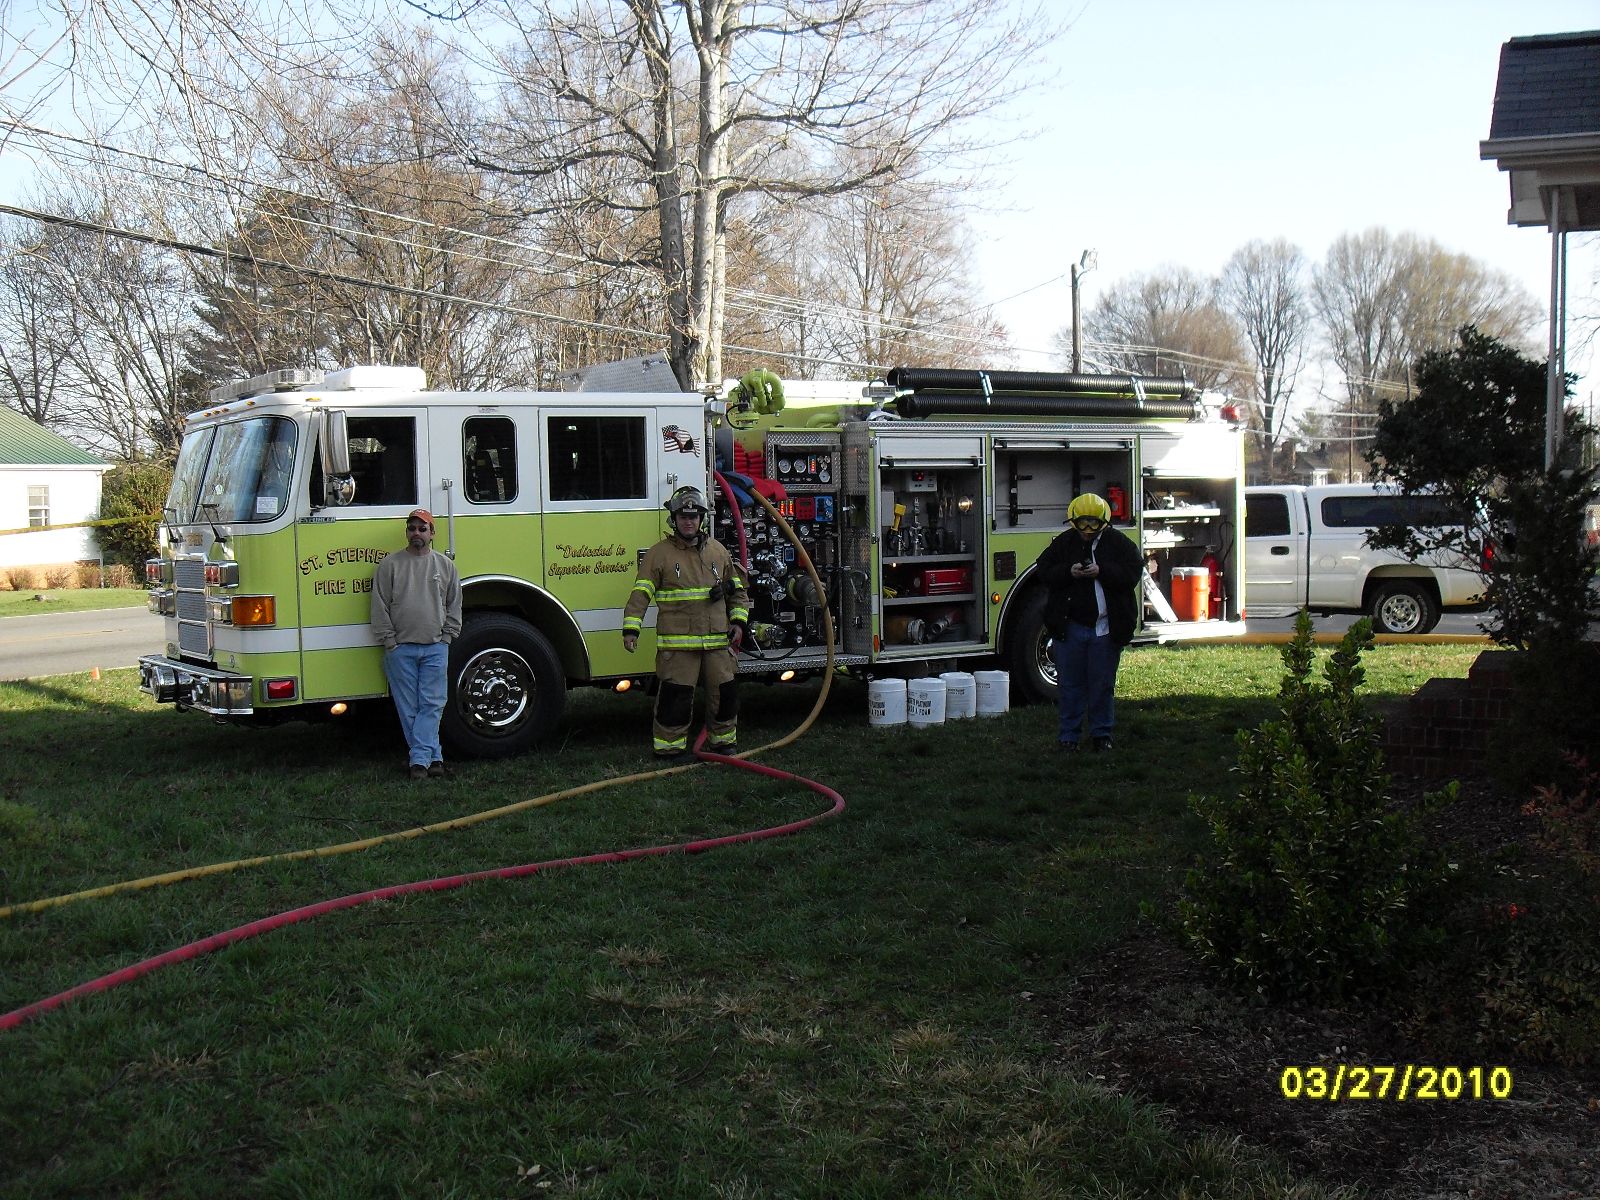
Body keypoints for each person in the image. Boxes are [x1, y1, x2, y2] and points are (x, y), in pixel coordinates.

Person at [622, 485, 751, 759]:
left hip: (717, 642)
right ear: (674, 519)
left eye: (694, 516)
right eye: (683, 516)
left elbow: (738, 591)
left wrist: (738, 624)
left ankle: (724, 743)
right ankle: (669, 749)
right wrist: (631, 628)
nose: (689, 521)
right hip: (678, 646)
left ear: (702, 518)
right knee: (675, 698)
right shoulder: (659, 555)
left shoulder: (718, 551)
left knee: (724, 695)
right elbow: (641, 593)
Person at [1036, 492, 1143, 753]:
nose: (1087, 531)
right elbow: (1043, 569)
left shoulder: (1120, 544)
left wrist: (1102, 571)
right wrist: (1067, 572)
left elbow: (1133, 572)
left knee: (1102, 684)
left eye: (1092, 526)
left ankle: (1101, 735)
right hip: (1070, 628)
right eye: (1081, 525)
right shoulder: (1064, 544)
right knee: (1070, 686)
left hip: (1105, 630)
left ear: (1103, 523)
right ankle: (1068, 737)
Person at [371, 508, 463, 779]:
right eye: (412, 528)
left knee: (432, 704)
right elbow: (379, 605)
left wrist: (447, 637)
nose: (417, 533)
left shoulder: (445, 566)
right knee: (409, 707)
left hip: (436, 647)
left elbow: (454, 604)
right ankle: (433, 760)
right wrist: (390, 642)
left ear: (432, 534)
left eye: (423, 529)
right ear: (407, 532)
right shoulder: (390, 565)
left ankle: (419, 763)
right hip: (400, 649)